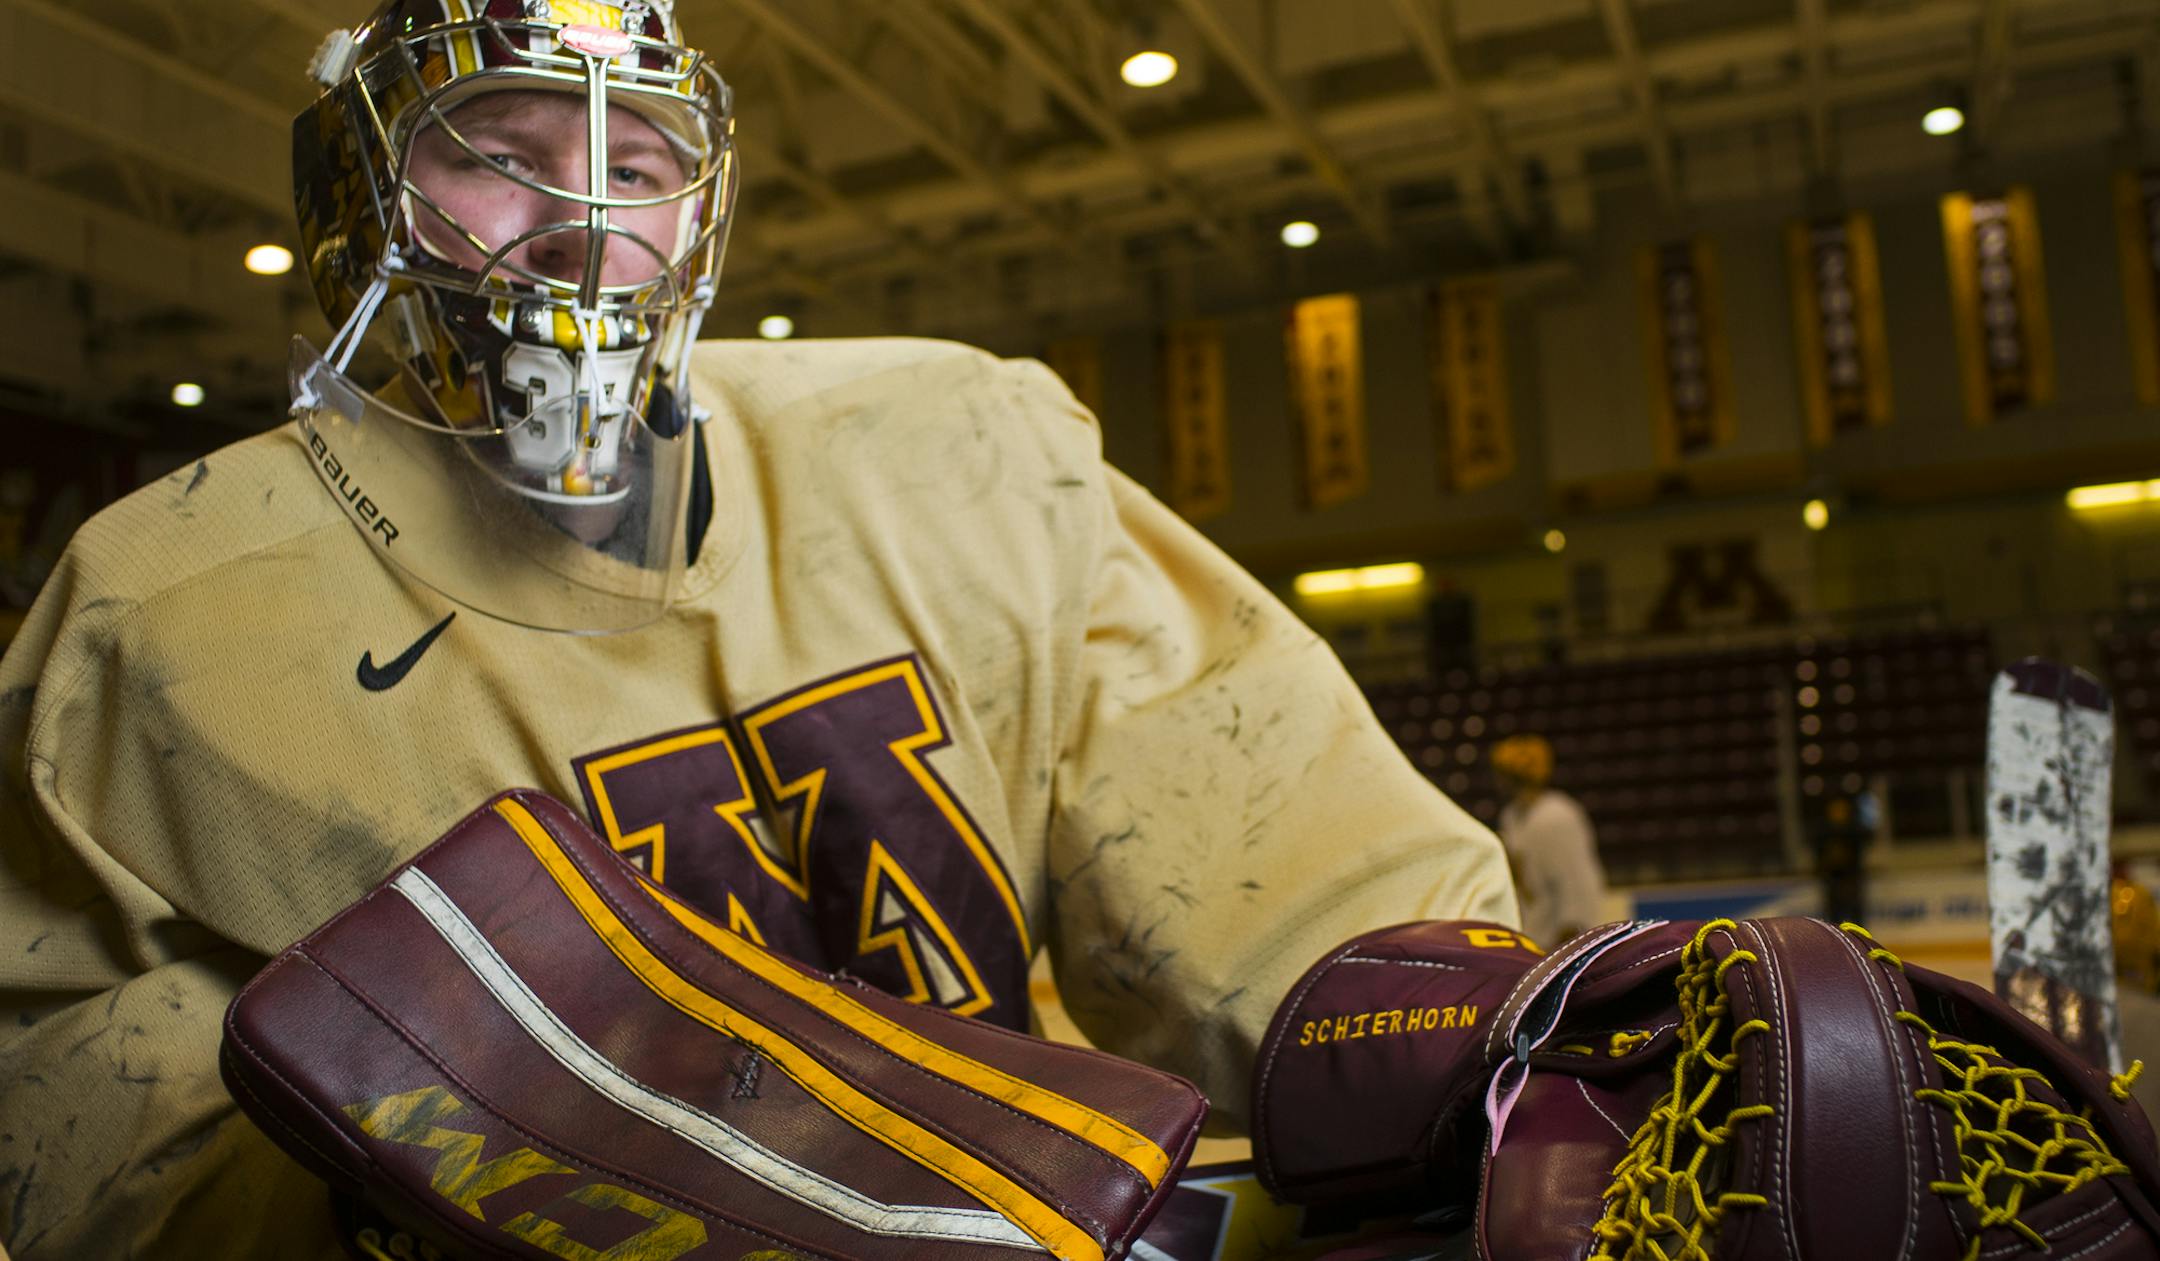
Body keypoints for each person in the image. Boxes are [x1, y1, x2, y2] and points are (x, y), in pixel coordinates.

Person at [0, 0, 1514, 1254]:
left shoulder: (959, 447)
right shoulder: (170, 604)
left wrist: (1479, 1060)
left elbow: (1264, 845)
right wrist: (423, 1195)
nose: (583, 221)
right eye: (497, 150)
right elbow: (79, 1127)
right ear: (366, 191)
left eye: (638, 158)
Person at [1489, 733, 1607, 949]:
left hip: (1560, 939)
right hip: (1532, 935)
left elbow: (1576, 882)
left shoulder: (1558, 815)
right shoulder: (1511, 816)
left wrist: (1570, 940)